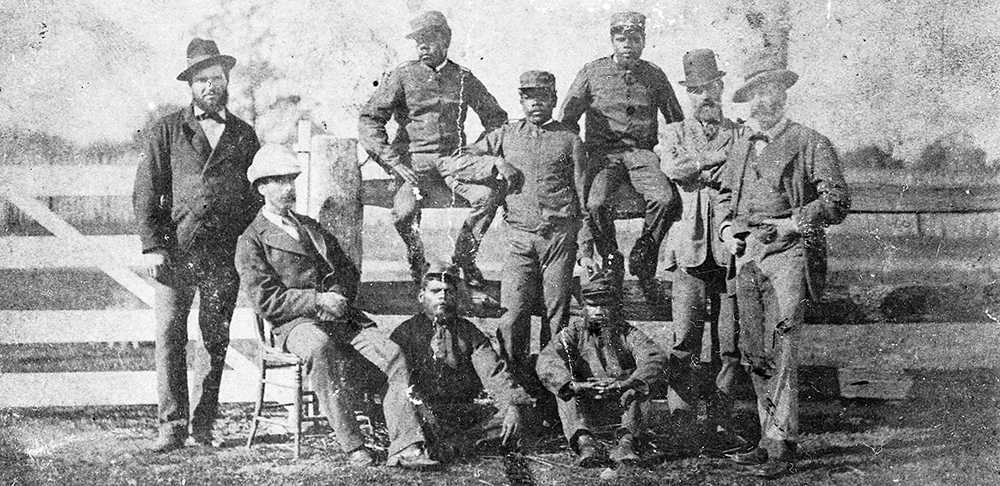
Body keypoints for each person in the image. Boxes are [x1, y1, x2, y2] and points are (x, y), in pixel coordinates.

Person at [234, 145, 438, 469]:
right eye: (279, 181)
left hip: (339, 315)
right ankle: (353, 445)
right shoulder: (251, 240)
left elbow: (343, 270)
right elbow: (265, 301)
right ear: (261, 187)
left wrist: (337, 296)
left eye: (291, 179)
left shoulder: (309, 226)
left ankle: (406, 446)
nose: (288, 188)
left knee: (392, 353)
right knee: (320, 347)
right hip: (295, 324)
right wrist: (317, 301)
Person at [717, 58, 850, 478]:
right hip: (748, 255)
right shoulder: (740, 145)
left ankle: (782, 444)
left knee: (783, 344)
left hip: (789, 255)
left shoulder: (810, 142)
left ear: (784, 93)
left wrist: (793, 223)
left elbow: (837, 201)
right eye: (754, 93)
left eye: (770, 90)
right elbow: (724, 195)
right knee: (755, 349)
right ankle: (767, 436)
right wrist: (725, 230)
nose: (762, 100)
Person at [133, 38, 261, 452]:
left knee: (214, 337)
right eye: (201, 79)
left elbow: (256, 194)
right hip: (176, 251)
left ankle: (203, 427)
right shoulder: (167, 130)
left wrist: (247, 245)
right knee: (170, 334)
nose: (210, 86)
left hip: (223, 254)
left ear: (227, 81)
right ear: (190, 85)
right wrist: (154, 244)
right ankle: (171, 427)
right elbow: (146, 192)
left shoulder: (243, 134)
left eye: (217, 78)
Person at [459, 70, 586, 419]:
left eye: (543, 97)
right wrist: (495, 162)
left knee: (556, 315)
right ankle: (516, 397)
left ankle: (556, 399)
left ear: (554, 98)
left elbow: (583, 193)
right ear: (520, 100)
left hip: (560, 237)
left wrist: (585, 242)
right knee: (512, 315)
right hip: (518, 237)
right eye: (529, 97)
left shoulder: (569, 139)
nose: (536, 103)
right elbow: (463, 158)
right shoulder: (504, 135)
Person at [358, 10, 513, 287]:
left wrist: (476, 152)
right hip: (413, 168)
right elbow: (370, 119)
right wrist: (393, 162)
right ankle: (417, 259)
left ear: (446, 40)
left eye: (429, 39)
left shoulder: (463, 78)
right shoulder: (402, 76)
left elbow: (497, 120)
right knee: (404, 212)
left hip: (453, 165)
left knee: (487, 197)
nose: (422, 46)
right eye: (418, 41)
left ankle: (464, 258)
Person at [561, 11, 684, 302]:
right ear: (612, 41)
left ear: (644, 41)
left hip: (642, 155)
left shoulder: (654, 75)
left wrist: (669, 150)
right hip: (604, 157)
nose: (628, 44)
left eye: (635, 38)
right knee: (595, 202)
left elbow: (675, 119)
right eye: (621, 38)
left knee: (665, 199)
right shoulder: (592, 72)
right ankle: (611, 257)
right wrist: (577, 155)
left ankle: (644, 255)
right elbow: (568, 117)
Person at [658, 49, 749, 445]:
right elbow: (674, 168)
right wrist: (714, 160)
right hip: (690, 248)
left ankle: (723, 418)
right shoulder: (673, 131)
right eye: (695, 91)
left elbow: (741, 169)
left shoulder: (741, 131)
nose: (704, 96)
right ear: (688, 95)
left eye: (710, 88)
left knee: (731, 343)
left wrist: (701, 165)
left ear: (721, 87)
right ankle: (681, 419)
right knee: (685, 341)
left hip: (730, 250)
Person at [390, 263, 533, 461]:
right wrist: (421, 410)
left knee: (515, 417)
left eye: (448, 292)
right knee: (413, 422)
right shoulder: (405, 333)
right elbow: (398, 384)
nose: (442, 296)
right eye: (435, 291)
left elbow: (493, 371)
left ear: (456, 297)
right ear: (421, 296)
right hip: (424, 412)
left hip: (461, 411)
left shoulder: (469, 332)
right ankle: (458, 444)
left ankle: (454, 444)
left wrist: (511, 406)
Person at [536, 270, 668, 468]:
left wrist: (626, 384)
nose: (599, 312)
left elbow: (654, 357)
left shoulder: (628, 333)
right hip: (585, 407)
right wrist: (576, 385)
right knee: (565, 392)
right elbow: (547, 359)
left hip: (622, 406)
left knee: (639, 388)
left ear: (616, 309)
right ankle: (585, 443)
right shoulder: (573, 333)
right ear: (582, 309)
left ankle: (626, 443)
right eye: (592, 305)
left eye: (605, 306)